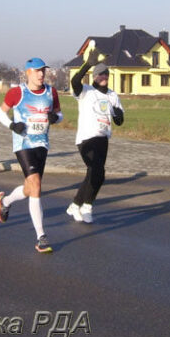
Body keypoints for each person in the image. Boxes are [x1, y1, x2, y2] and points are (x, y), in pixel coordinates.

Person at [0, 58, 62, 253]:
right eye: (38, 71)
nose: (42, 74)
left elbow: (60, 114)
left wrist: (55, 118)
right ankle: (41, 236)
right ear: (28, 73)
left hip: (42, 143)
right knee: (36, 185)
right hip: (23, 144)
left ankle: (5, 202)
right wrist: (12, 125)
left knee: (30, 187)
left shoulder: (51, 92)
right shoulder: (17, 92)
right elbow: (0, 114)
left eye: (44, 71)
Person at [66, 52, 124, 224]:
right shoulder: (86, 91)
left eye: (106, 74)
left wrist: (119, 115)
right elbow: (74, 82)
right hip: (86, 138)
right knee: (95, 170)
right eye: (100, 74)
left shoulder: (113, 96)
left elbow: (119, 120)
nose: (103, 76)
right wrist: (87, 65)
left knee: (98, 174)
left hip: (103, 138)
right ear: (94, 76)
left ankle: (78, 204)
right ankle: (86, 207)